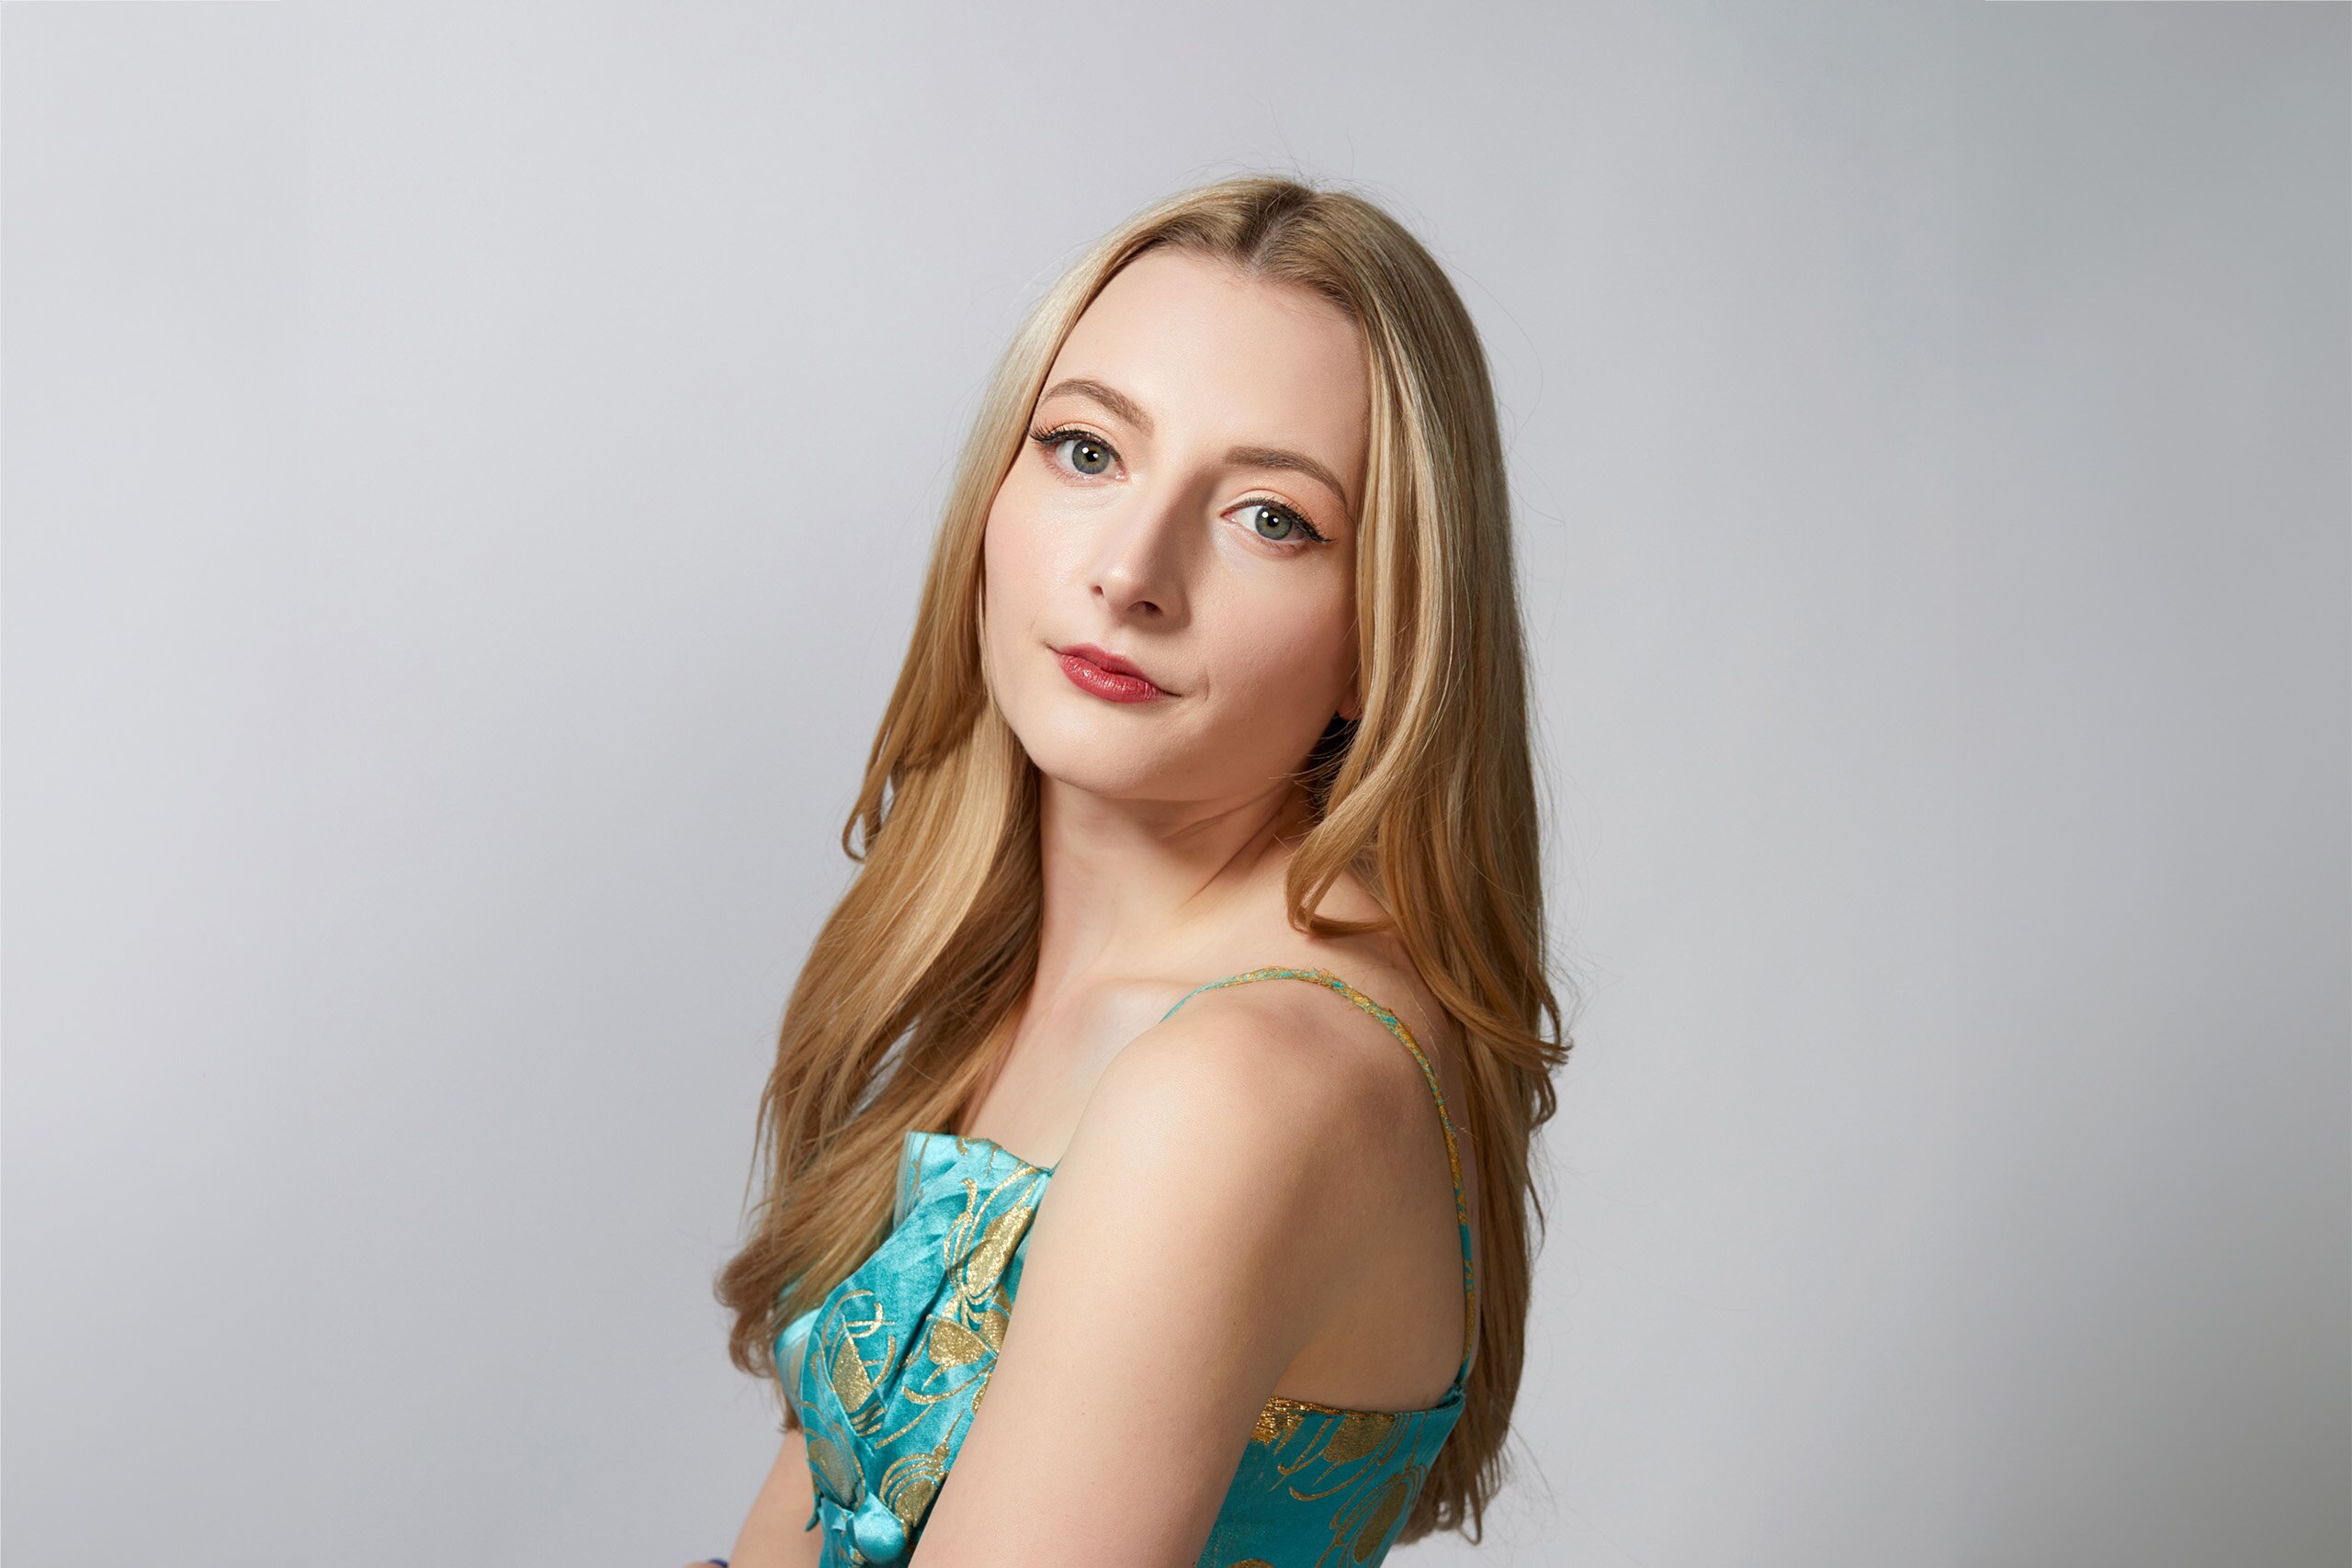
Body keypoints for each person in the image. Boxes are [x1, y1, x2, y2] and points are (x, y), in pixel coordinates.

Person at [698, 175, 1571, 1568]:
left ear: (1383, 629)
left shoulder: (1234, 1084)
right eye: (1089, 451)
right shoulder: (1015, 972)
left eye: (1271, 517)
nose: (1131, 571)